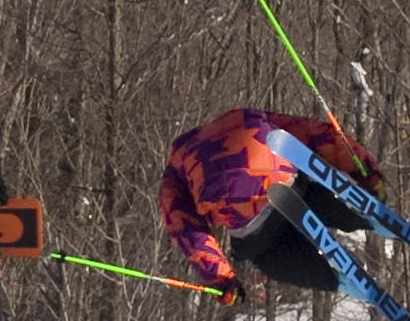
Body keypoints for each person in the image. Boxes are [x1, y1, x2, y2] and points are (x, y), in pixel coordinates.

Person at [156, 107, 388, 300]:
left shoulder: (175, 172)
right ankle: (367, 217)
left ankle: (340, 280)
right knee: (307, 195)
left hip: (247, 219)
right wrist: (363, 168)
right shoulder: (240, 115)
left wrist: (222, 280)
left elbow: (186, 229)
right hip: (284, 179)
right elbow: (311, 133)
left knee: (268, 258)